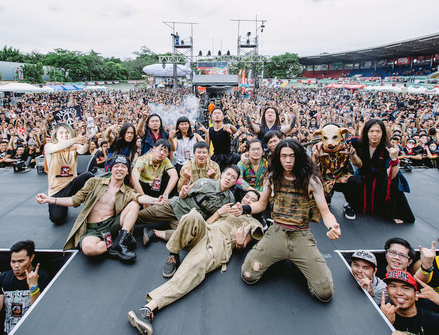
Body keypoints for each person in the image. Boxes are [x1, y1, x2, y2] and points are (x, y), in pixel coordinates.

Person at [127, 190, 264, 335]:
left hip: (219, 244)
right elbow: (207, 223)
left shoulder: (253, 222)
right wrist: (219, 212)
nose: (248, 200)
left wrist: (240, 241)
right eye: (247, 197)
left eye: (253, 199)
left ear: (257, 205)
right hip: (206, 231)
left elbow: (242, 246)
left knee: (195, 266)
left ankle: (146, 309)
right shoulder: (229, 209)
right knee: (192, 216)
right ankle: (174, 253)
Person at [238, 139, 341, 303]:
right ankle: (278, 257)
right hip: (277, 232)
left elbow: (326, 212)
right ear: (278, 157)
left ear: (299, 156)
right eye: (283, 156)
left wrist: (333, 226)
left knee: (324, 292)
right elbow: (261, 204)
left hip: (301, 235)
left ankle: (295, 259)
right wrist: (244, 208)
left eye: (291, 156)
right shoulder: (272, 177)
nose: (287, 160)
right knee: (248, 275)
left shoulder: (311, 180)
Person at [36, 155, 155, 261]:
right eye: (117, 166)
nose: (119, 169)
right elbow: (75, 200)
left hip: (112, 224)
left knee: (134, 204)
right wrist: (50, 199)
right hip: (93, 229)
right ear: (111, 169)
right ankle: (116, 243)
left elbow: (139, 198)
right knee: (89, 249)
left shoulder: (128, 191)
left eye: (123, 167)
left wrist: (155, 200)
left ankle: (121, 240)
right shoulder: (94, 182)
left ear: (127, 171)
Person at [137, 165, 241, 277]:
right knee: (139, 217)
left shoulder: (229, 200)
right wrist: (183, 193)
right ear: (222, 174)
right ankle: (119, 227)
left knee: (192, 239)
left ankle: (172, 253)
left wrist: (219, 213)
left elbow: (210, 225)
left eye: (233, 177)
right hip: (175, 207)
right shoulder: (205, 183)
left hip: (188, 222)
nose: (229, 178)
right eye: (228, 174)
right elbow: (182, 196)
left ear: (235, 182)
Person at [354, 119, 414, 224]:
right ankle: (351, 204)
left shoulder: (388, 148)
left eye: (378, 131)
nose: (374, 134)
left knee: (394, 180)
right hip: (363, 176)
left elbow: (392, 174)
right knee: (351, 181)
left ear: (383, 133)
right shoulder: (358, 144)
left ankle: (394, 211)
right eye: (371, 131)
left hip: (381, 178)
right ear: (366, 132)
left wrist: (395, 159)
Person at [0, 240, 49, 335]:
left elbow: (39, 313)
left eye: (21, 261)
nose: (16, 266)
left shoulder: (41, 276)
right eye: (13, 262)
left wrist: (33, 287)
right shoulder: (4, 278)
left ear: (31, 258)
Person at [43, 123, 94, 225]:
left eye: (67, 132)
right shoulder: (49, 146)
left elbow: (83, 150)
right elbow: (56, 147)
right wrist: (75, 139)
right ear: (55, 135)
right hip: (57, 190)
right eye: (61, 133)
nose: (65, 135)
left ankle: (92, 207)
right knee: (57, 219)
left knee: (89, 176)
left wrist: (88, 139)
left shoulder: (73, 146)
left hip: (71, 184)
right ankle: (63, 204)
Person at [311, 123, 362, 220]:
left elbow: (359, 164)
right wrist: (316, 158)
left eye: (334, 137)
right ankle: (326, 198)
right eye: (326, 138)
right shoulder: (318, 148)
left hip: (341, 178)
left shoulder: (347, 147)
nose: (330, 143)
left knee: (356, 182)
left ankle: (349, 204)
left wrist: (353, 155)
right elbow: (311, 168)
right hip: (324, 180)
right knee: (312, 180)